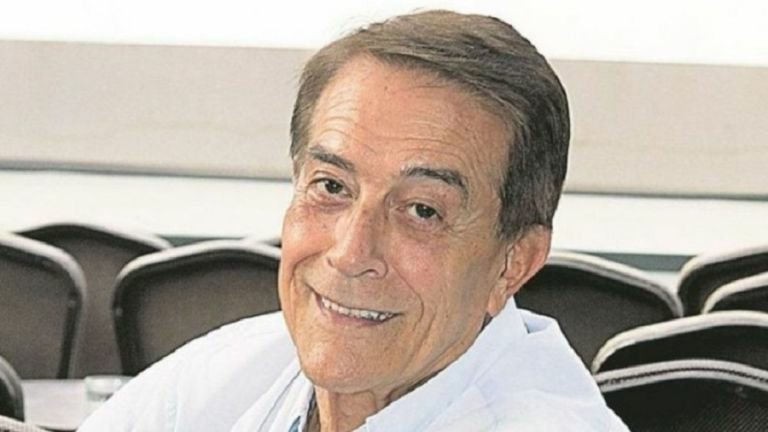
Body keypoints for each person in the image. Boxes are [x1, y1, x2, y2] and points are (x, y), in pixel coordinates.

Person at [80, 10, 628, 431]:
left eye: (422, 211)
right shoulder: (235, 369)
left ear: (513, 263)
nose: (349, 252)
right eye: (332, 187)